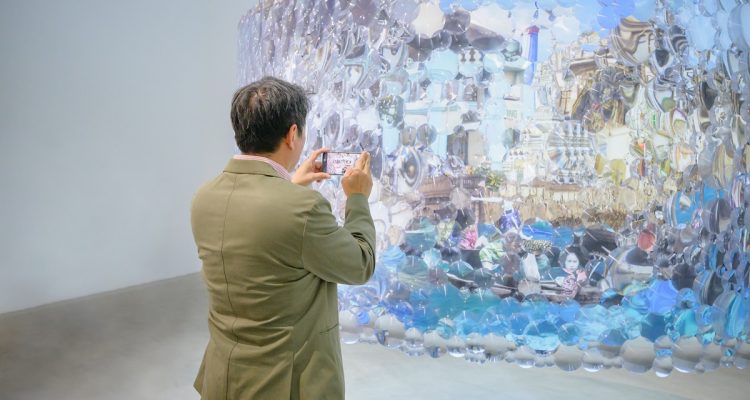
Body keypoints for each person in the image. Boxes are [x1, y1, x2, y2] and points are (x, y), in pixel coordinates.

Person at [190, 77, 376, 399]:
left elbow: (259, 234)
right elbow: (360, 264)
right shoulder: (303, 209)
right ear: (292, 134)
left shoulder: (203, 198)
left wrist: (289, 184)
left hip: (223, 379)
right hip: (282, 385)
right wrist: (358, 198)